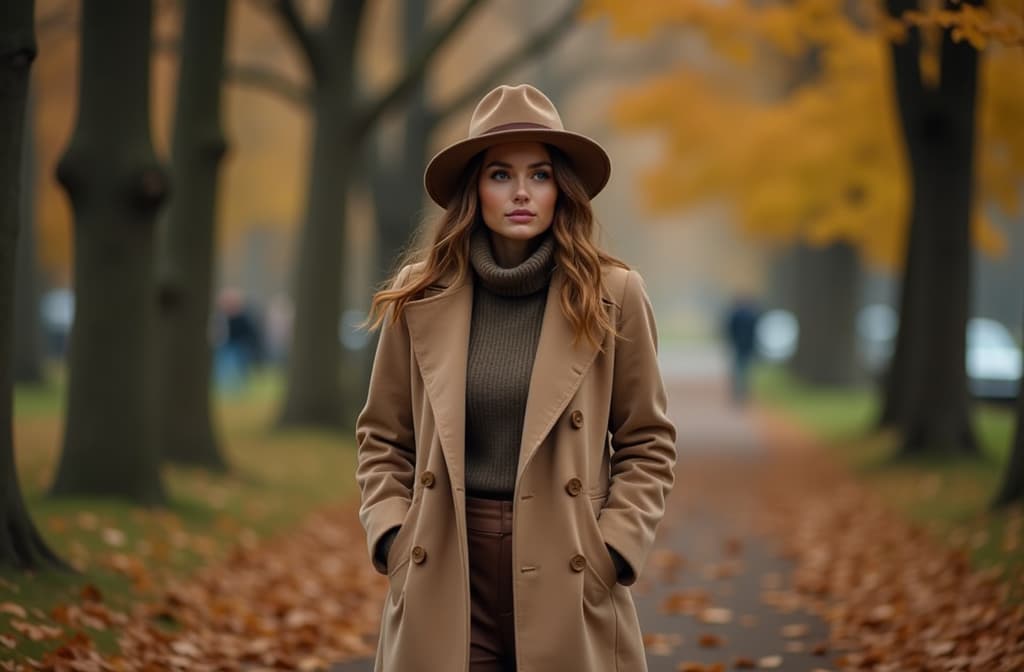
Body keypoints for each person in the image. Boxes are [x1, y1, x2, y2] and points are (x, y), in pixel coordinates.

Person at [355, 84, 677, 672]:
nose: (522, 192)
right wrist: (392, 534)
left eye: (541, 175)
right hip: (444, 562)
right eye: (501, 174)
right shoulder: (421, 295)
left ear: (563, 189)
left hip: (570, 564)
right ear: (474, 190)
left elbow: (648, 441)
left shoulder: (613, 295)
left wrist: (614, 548)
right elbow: (382, 438)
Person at [722, 295, 761, 405]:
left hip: (738, 346)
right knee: (746, 371)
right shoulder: (753, 315)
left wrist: (732, 341)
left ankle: (737, 393)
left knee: (737, 370)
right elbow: (756, 332)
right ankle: (743, 393)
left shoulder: (735, 314)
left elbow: (729, 329)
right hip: (748, 346)